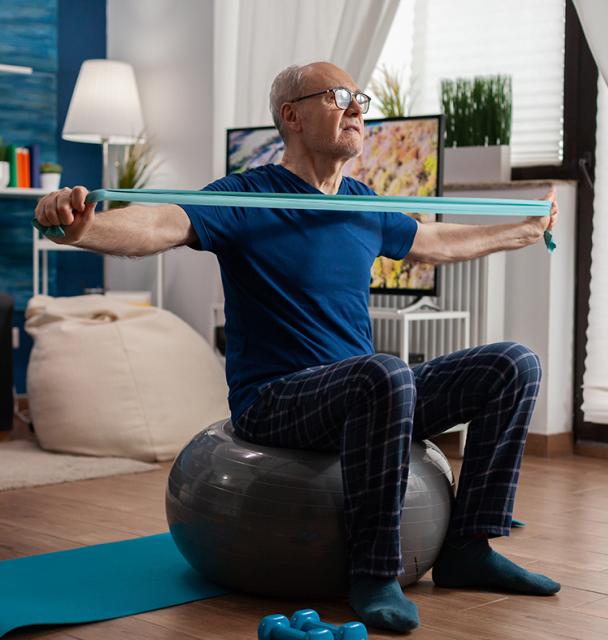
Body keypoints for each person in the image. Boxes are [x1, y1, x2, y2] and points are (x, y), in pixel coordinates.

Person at [35, 61, 560, 633]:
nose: (358, 107)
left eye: (359, 97)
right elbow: (158, 224)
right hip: (276, 399)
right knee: (383, 374)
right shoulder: (247, 196)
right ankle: (374, 570)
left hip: (365, 393)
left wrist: (524, 231)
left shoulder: (361, 203)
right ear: (292, 115)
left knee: (513, 364)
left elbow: (430, 242)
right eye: (340, 97)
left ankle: (469, 548)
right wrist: (79, 229)